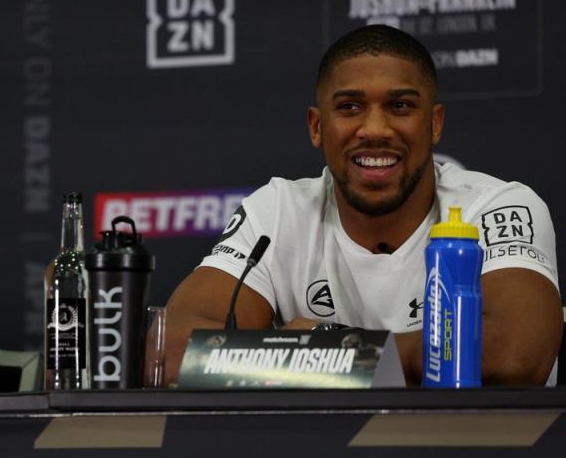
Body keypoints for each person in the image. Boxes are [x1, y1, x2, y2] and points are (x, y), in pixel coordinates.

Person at [163, 25, 562, 386]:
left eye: (401, 106)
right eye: (350, 107)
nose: (374, 130)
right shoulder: (277, 210)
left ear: (435, 123)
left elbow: (515, 356)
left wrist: (326, 346)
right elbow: (172, 349)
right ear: (317, 127)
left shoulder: (498, 205)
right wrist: (385, 357)